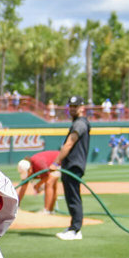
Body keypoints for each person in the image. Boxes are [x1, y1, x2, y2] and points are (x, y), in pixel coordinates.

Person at [53, 96, 90, 240]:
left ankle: (75, 229)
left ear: (82, 107)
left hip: (74, 165)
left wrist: (55, 162)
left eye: (76, 106)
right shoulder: (77, 123)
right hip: (71, 165)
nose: (73, 108)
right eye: (71, 106)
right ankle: (74, 227)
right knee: (70, 196)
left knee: (73, 197)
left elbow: (69, 144)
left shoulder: (79, 124)